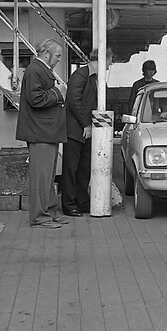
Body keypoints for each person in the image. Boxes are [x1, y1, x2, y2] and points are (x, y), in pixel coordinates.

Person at [16, 38, 69, 229]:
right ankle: (39, 217)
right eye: (57, 56)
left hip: (46, 132)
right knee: (41, 178)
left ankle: (51, 212)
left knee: (47, 176)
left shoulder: (40, 70)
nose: (58, 60)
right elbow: (35, 99)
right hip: (41, 132)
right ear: (46, 53)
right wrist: (58, 92)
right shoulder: (35, 70)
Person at [61, 49, 100, 217]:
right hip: (76, 130)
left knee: (84, 168)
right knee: (71, 168)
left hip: (86, 130)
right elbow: (73, 101)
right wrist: (86, 124)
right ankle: (69, 205)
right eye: (109, 60)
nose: (110, 64)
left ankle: (82, 201)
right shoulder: (81, 75)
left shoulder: (93, 77)